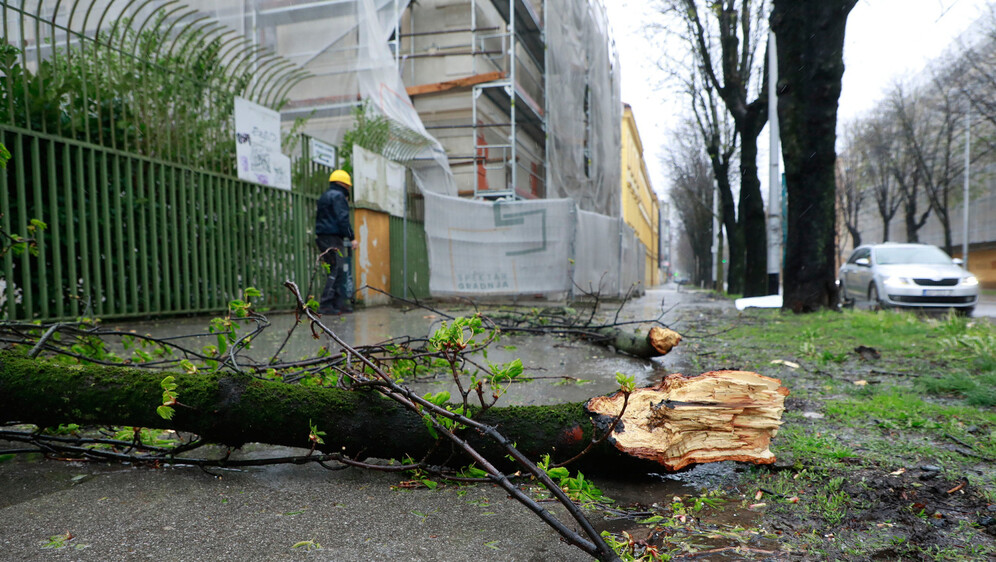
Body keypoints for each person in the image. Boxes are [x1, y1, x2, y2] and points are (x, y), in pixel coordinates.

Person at [315, 169, 359, 314]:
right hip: (333, 238)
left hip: (323, 237)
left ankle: (338, 304)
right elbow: (343, 219)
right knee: (336, 270)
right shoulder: (339, 197)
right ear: (344, 184)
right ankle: (326, 305)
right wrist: (351, 237)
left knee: (335, 269)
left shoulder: (325, 196)